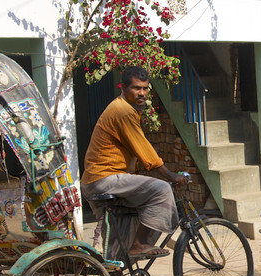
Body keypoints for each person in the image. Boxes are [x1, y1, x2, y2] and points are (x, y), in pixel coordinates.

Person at [81, 65, 190, 261]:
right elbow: (143, 148)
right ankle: (140, 244)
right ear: (123, 88)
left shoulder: (123, 107)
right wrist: (170, 175)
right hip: (104, 178)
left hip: (96, 180)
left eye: (145, 88)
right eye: (136, 88)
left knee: (119, 242)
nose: (142, 93)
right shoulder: (123, 111)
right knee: (161, 189)